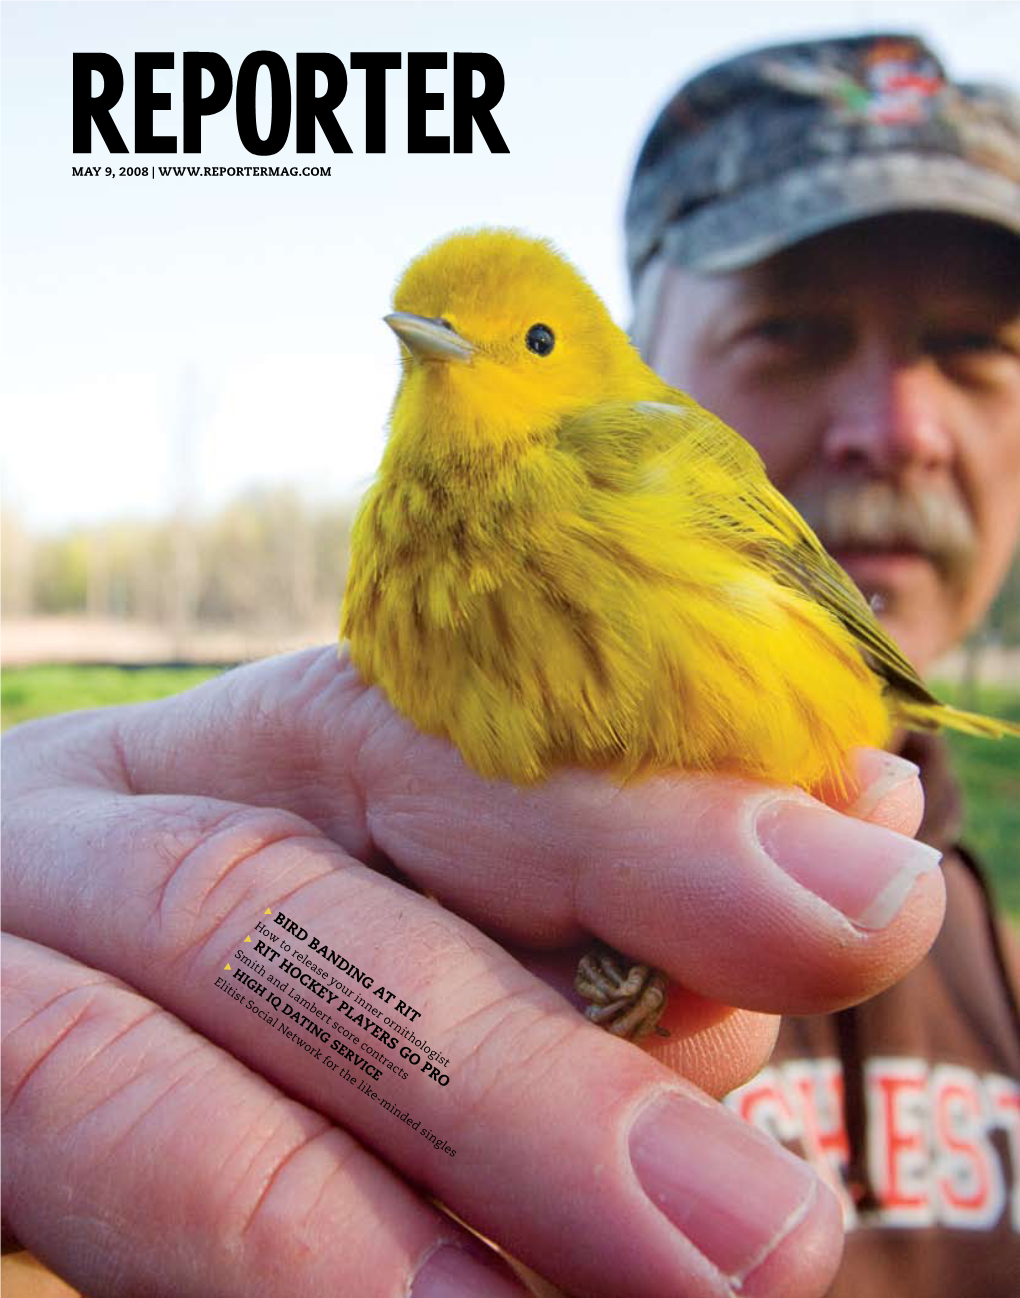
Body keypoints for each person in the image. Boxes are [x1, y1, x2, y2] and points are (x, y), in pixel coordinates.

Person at [624, 31, 1020, 1295]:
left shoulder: (980, 911)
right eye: (789, 330)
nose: (896, 430)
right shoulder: (456, 848)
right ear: (634, 381)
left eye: (974, 348)